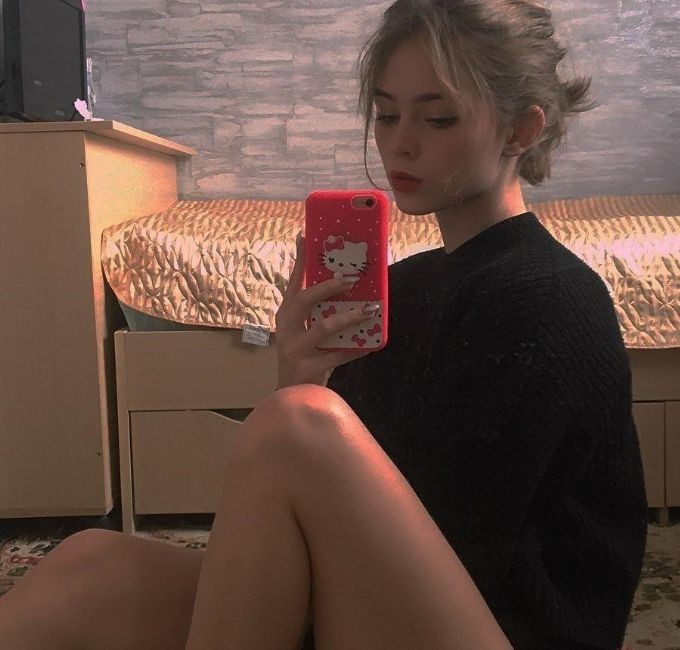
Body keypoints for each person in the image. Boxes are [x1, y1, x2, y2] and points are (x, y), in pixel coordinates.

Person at [0, 0, 647, 649]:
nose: (401, 142)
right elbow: (342, 513)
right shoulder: (406, 288)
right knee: (93, 564)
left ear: (521, 131)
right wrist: (300, 378)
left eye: (438, 117)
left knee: (298, 424)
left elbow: (459, 550)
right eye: (386, 114)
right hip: (389, 597)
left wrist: (299, 417)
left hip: (498, 624)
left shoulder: (548, 297)